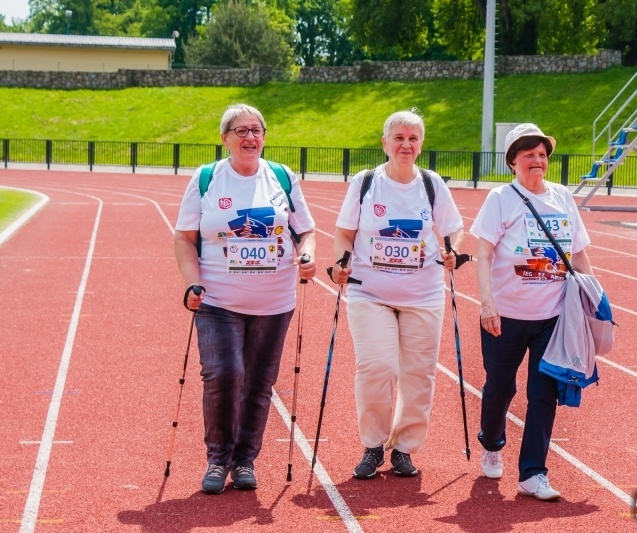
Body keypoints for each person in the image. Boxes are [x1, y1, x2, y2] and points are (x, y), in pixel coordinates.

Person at [174, 103, 316, 494]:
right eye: (241, 131)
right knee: (223, 374)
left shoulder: (282, 178)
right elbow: (185, 238)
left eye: (257, 130)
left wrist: (307, 255)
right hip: (218, 299)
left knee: (259, 382)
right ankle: (218, 459)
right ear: (225, 138)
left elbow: (305, 231)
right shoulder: (206, 180)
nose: (250, 137)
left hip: (274, 302)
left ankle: (245, 461)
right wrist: (191, 283)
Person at [330, 109, 464, 479]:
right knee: (377, 367)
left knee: (419, 375)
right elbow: (344, 233)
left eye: (413, 138)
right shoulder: (366, 182)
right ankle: (373, 445)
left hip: (424, 295)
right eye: (399, 137)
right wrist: (339, 263)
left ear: (420, 145)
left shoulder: (433, 184)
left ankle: (404, 449)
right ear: (385, 142)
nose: (406, 144)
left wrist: (451, 252)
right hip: (369, 292)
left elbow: (453, 232)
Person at [471, 123, 594, 500]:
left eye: (542, 154)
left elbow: (580, 254)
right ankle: (492, 442)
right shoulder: (500, 199)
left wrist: (594, 297)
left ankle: (532, 473)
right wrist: (487, 303)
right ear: (513, 162)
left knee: (543, 393)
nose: (537, 160)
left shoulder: (562, 198)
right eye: (529, 155)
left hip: (553, 317)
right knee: (498, 389)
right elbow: (483, 254)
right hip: (505, 315)